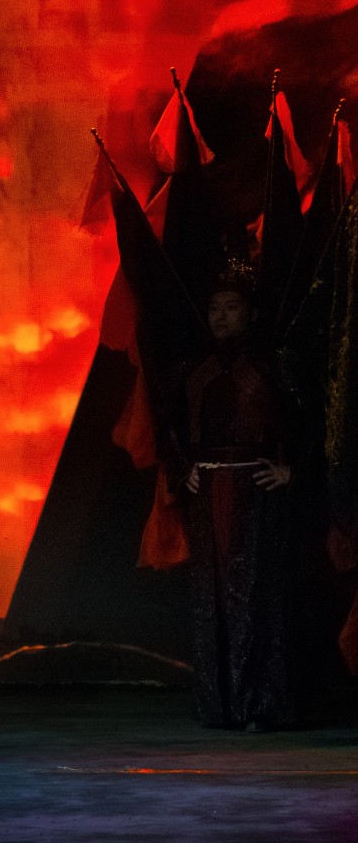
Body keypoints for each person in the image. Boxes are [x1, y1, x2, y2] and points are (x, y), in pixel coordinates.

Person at [163, 262, 298, 730]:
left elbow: (309, 422)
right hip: (207, 495)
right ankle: (218, 706)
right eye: (214, 308)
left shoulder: (273, 368)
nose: (220, 317)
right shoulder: (192, 372)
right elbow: (170, 429)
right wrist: (183, 470)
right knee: (211, 598)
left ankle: (261, 706)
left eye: (231, 307)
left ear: (250, 312)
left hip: (256, 495)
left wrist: (291, 469)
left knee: (257, 594)